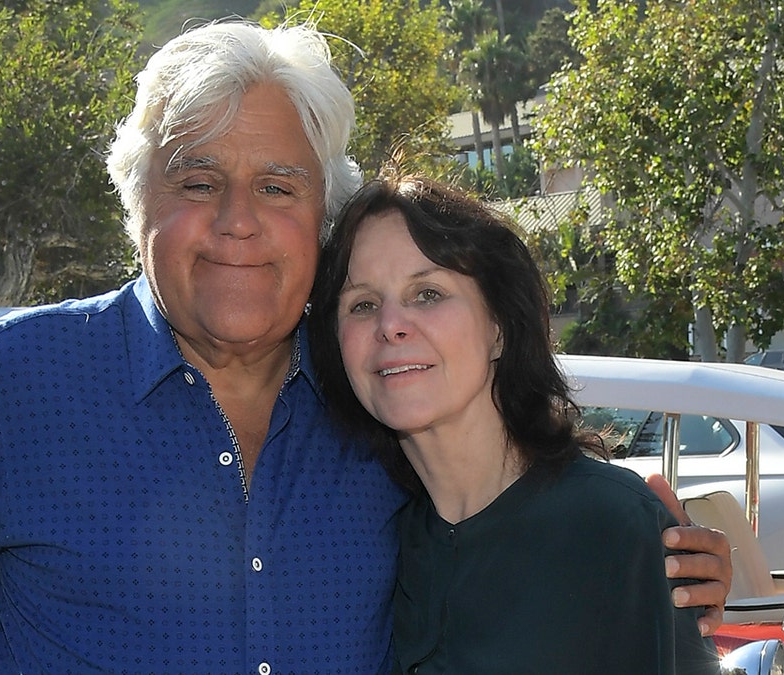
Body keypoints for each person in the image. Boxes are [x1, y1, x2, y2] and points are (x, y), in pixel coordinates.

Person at [0, 21, 731, 674]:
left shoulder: (371, 386)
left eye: (276, 186)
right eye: (198, 181)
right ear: (137, 203)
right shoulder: (20, 382)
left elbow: (507, 512)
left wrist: (651, 557)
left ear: (319, 216)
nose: (238, 223)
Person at [306, 174, 721, 673]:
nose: (390, 324)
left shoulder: (612, 526)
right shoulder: (382, 540)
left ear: (499, 326)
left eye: (428, 293)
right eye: (363, 304)